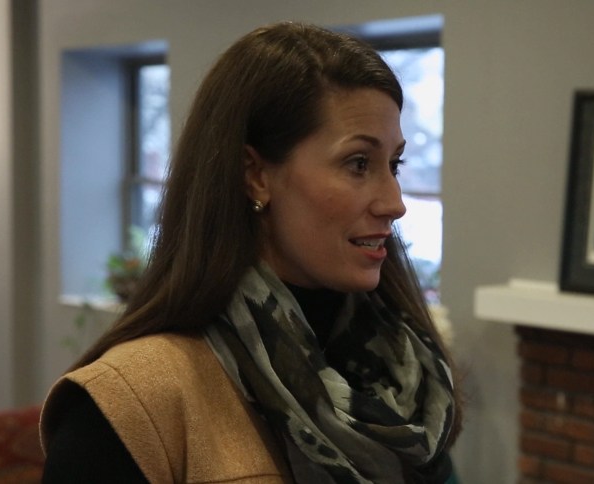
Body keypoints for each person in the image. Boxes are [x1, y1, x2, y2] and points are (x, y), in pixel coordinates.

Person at [40, 21, 462, 484]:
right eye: (358, 163)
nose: (394, 203)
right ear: (255, 175)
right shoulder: (130, 403)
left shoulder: (406, 381)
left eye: (394, 164)